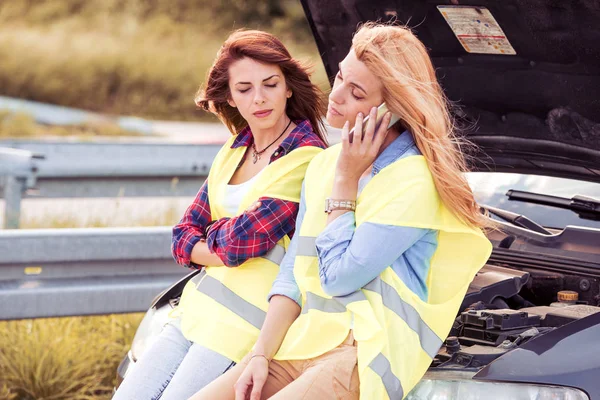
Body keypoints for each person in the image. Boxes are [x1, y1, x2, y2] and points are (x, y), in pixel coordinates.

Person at [191, 22, 493, 400]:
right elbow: (294, 271)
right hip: (302, 340)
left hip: (362, 355)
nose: (336, 96)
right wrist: (259, 354)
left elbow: (337, 278)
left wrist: (346, 184)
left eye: (357, 92)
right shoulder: (324, 164)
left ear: (392, 110)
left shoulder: (413, 180)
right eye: (340, 78)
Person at [113, 29, 327, 400]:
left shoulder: (308, 156)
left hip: (244, 330)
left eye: (270, 84)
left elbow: (243, 243)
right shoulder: (234, 148)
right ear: (229, 96)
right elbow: (181, 235)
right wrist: (217, 240)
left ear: (288, 87)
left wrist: (209, 239)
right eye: (244, 89)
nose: (259, 99)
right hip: (194, 313)